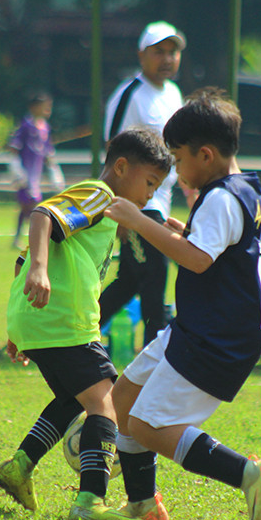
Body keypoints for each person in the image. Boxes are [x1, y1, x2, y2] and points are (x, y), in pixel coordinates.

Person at [103, 89, 261, 520]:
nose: (177, 172)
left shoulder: (220, 197)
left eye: (179, 159)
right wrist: (186, 230)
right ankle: (142, 501)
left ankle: (249, 474)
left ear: (205, 155)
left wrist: (139, 219)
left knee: (147, 426)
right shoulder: (246, 191)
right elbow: (234, 253)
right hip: (202, 325)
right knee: (124, 399)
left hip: (218, 336)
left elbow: (198, 260)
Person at [0, 127, 172, 520]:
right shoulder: (100, 195)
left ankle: (19, 467)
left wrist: (19, 324)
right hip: (64, 320)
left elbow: (23, 259)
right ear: (121, 167)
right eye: (149, 183)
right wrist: (40, 270)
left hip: (41, 319)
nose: (150, 195)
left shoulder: (105, 208)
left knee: (73, 399)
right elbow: (42, 216)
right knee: (105, 403)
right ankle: (90, 500)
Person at [99, 21, 185, 345]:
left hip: (161, 200)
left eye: (173, 52)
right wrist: (116, 206)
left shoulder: (174, 93)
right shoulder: (129, 94)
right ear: (141, 54)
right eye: (158, 51)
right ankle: (155, 348)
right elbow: (113, 151)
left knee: (133, 279)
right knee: (155, 272)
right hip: (136, 202)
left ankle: (74, 332)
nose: (167, 58)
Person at [8, 92, 60, 248]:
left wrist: (50, 163)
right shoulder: (25, 126)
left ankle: (27, 238)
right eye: (44, 107)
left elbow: (46, 150)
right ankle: (30, 238)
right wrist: (16, 169)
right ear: (34, 107)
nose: (47, 110)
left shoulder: (45, 128)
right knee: (30, 205)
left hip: (36, 175)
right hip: (26, 174)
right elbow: (13, 147)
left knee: (31, 206)